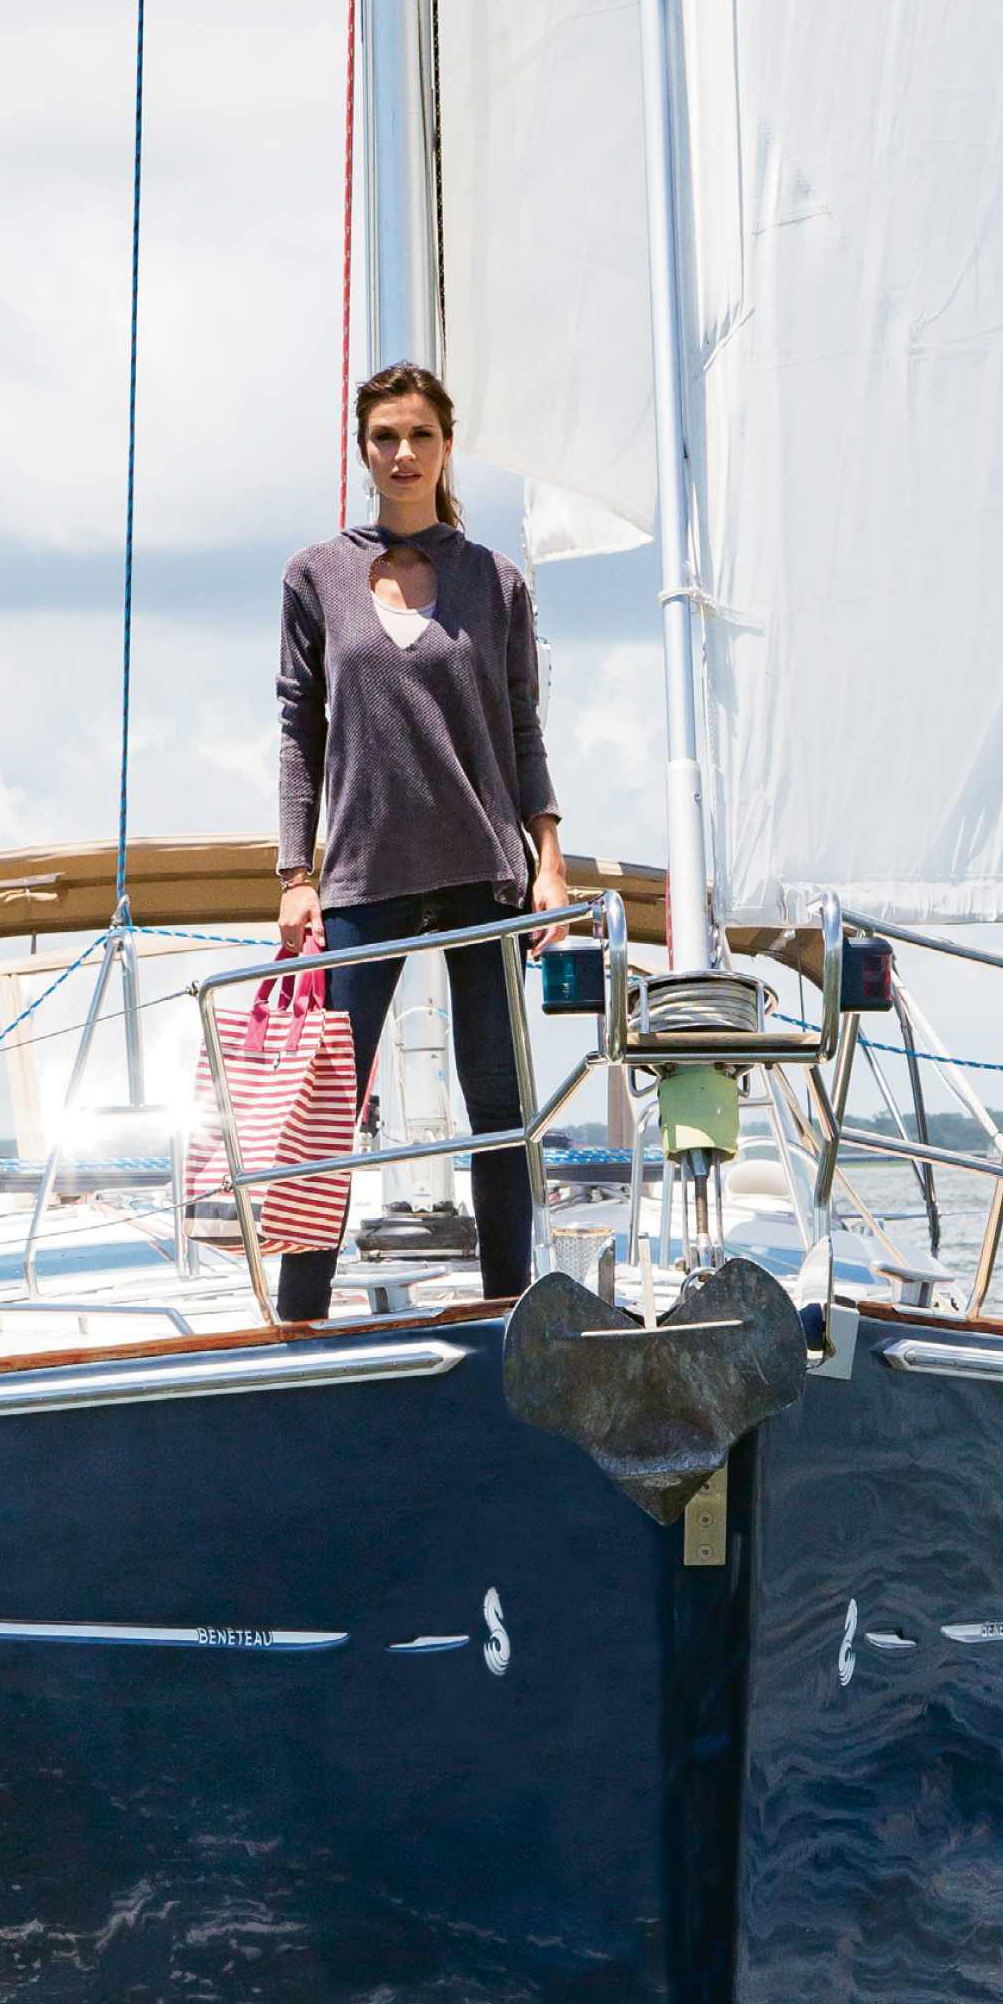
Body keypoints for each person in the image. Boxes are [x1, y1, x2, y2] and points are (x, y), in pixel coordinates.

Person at [272, 362, 568, 1321]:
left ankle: (507, 1316)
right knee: (328, 1110)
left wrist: (549, 859)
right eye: (384, 437)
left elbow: (522, 727)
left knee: (498, 1105)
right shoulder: (315, 574)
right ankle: (301, 1317)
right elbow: (296, 728)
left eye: (420, 437)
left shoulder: (495, 580)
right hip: (362, 874)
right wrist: (294, 871)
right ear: (363, 450)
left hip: (484, 871)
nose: (402, 454)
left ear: (446, 446)